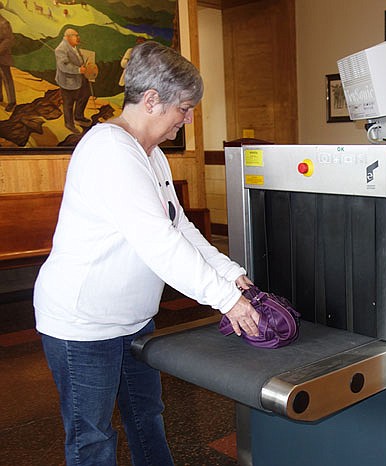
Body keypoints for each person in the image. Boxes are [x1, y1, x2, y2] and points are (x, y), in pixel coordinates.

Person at [35, 41, 260, 466]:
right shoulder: (110, 151)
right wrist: (227, 301)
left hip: (132, 319)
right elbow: (157, 241)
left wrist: (229, 273)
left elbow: (178, 226)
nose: (189, 119)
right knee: (93, 438)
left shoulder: (150, 154)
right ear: (152, 100)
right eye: (185, 107)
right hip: (82, 324)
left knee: (146, 417)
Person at [54, 28, 91, 132]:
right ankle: (69, 124)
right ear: (68, 37)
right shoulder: (61, 49)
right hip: (68, 81)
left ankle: (78, 116)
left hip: (79, 77)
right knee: (69, 103)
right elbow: (64, 66)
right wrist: (79, 69)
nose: (78, 38)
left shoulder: (73, 47)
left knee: (85, 95)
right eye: (76, 35)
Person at [0, 2, 16, 112]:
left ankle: (11, 101)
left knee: (7, 78)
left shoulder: (4, 23)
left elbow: (9, 40)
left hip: (3, 55)